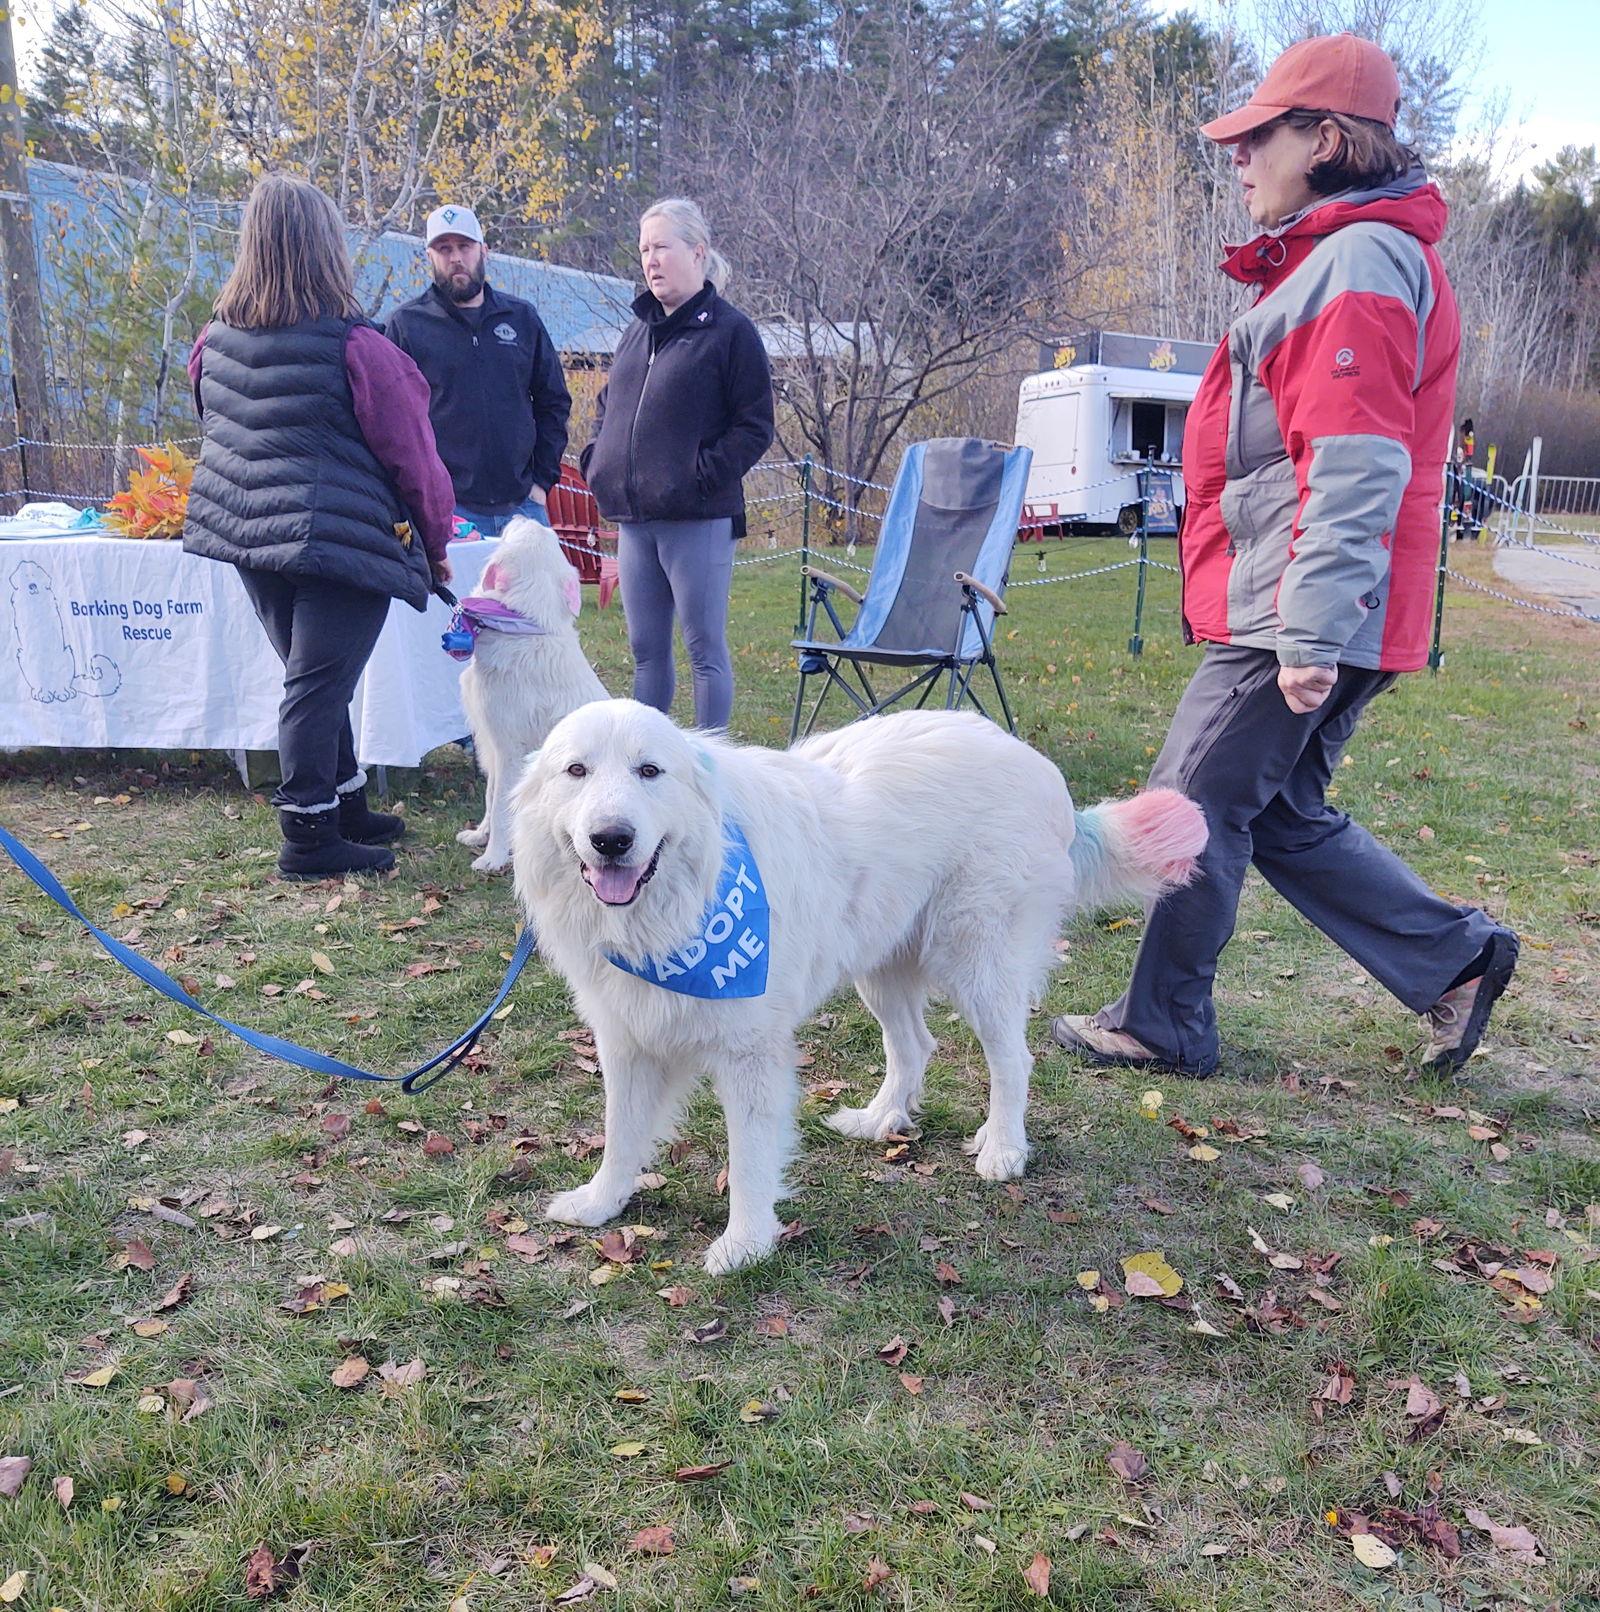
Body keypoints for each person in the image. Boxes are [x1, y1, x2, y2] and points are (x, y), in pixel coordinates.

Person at [1051, 34, 1518, 1078]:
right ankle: (1453, 958)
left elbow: (1354, 463)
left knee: (1191, 805)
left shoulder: (1354, 263)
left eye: (1255, 136)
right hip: (1329, 599)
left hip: (1299, 609)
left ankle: (1161, 1020)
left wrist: (1307, 630)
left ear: (1323, 138)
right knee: (1287, 814)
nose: (1237, 157)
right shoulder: (1347, 257)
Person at [183, 175, 457, 881]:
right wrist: (434, 543)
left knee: (314, 680)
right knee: (315, 685)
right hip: (337, 540)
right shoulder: (358, 348)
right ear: (325, 249)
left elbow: (215, 426)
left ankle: (344, 805)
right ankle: (308, 837)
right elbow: (416, 460)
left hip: (250, 535)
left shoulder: (212, 343)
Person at [580, 198, 774, 730]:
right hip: (635, 521)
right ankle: (648, 767)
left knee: (703, 648)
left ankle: (712, 774)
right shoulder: (635, 332)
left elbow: (755, 426)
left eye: (662, 246)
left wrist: (699, 475)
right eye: (644, 249)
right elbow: (607, 409)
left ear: (698, 251)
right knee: (646, 652)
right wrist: (597, 462)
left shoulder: (730, 332)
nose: (651, 260)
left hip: (699, 519)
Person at [384, 204, 572, 536]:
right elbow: (392, 423)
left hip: (524, 507)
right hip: (449, 512)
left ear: (484, 251)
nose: (456, 257)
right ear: (430, 256)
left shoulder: (522, 319)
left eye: (465, 247)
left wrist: (542, 481)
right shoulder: (405, 326)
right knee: (460, 592)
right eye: (445, 248)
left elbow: (553, 402)